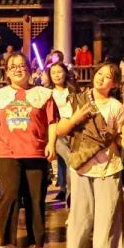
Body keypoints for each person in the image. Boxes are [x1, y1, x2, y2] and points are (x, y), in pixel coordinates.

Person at [0, 52, 59, 248]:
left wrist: (51, 143)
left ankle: (34, 246)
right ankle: (6, 244)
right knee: (9, 197)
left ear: (29, 69)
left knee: (35, 200)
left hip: (35, 152)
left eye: (22, 65)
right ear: (7, 72)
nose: (18, 69)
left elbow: (52, 122)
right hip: (6, 153)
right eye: (13, 67)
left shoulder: (44, 94)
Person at [58, 62, 124, 248]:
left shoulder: (116, 106)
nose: (101, 78)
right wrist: (75, 119)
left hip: (108, 165)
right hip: (81, 164)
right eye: (99, 73)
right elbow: (61, 129)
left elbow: (123, 134)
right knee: (81, 211)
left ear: (114, 83)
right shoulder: (77, 100)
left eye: (107, 77)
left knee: (107, 212)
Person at [47, 62, 76, 202]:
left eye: (59, 72)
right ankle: (70, 194)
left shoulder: (73, 90)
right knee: (69, 159)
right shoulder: (48, 93)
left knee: (63, 162)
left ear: (65, 73)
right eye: (53, 73)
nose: (56, 75)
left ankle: (64, 189)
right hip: (57, 132)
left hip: (73, 130)